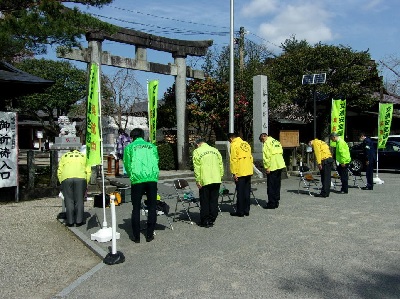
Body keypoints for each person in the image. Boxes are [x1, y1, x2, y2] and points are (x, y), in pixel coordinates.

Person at [123, 128, 159, 243]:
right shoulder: (152, 146)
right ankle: (149, 235)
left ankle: (136, 236)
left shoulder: (129, 147)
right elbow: (156, 160)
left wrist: (131, 176)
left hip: (137, 180)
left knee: (136, 208)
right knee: (152, 207)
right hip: (151, 179)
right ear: (143, 136)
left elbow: (127, 164)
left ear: (132, 136)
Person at [192, 138, 224, 227]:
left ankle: (205, 220)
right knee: (214, 200)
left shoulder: (197, 151)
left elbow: (197, 167)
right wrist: (220, 175)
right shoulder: (215, 150)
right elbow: (221, 164)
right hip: (216, 178)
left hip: (205, 179)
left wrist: (198, 180)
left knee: (205, 200)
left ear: (198, 144)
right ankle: (212, 218)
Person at [57, 147, 91, 227]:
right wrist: (86, 182)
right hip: (81, 178)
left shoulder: (64, 156)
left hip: (66, 178)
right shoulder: (83, 156)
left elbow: (59, 170)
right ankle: (79, 221)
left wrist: (61, 181)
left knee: (68, 200)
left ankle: (70, 221)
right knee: (79, 200)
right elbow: (88, 170)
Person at [228, 132, 254, 217]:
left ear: (231, 138)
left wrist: (234, 173)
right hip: (248, 170)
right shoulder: (246, 143)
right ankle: (247, 210)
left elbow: (233, 160)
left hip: (240, 171)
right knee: (247, 191)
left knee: (240, 192)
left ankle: (240, 211)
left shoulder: (234, 144)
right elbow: (251, 157)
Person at [259, 133, 286, 209]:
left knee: (271, 185)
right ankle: (276, 201)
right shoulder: (276, 141)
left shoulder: (267, 143)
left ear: (264, 137)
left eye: (262, 140)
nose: (263, 142)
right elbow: (281, 151)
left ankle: (271, 203)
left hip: (272, 166)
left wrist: (267, 167)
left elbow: (266, 156)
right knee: (277, 184)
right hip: (280, 164)